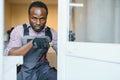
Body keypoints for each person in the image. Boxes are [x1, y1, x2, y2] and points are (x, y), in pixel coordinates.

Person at [4, 1, 57, 80]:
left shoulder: (51, 33)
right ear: (29, 16)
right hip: (23, 69)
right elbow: (11, 55)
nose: (38, 22)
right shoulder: (19, 30)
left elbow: (63, 52)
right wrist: (32, 43)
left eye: (42, 19)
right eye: (34, 18)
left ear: (46, 17)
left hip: (42, 69)